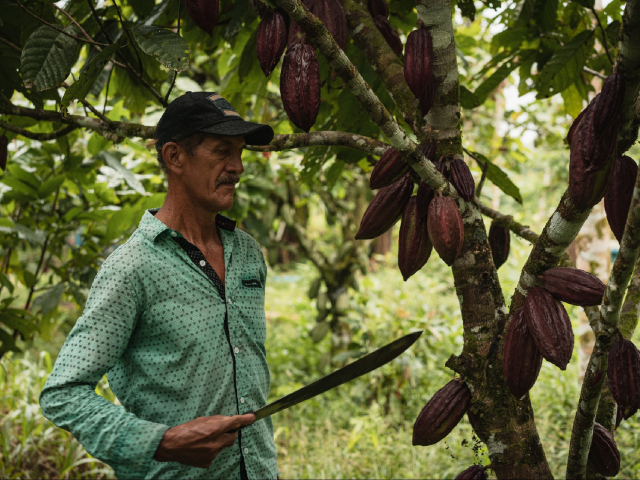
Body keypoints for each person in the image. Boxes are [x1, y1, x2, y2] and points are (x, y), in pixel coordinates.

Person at [39, 92, 279, 480]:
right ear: (174, 158)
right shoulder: (133, 268)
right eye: (222, 151)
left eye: (239, 153)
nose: (237, 167)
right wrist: (160, 440)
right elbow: (63, 394)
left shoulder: (247, 254)